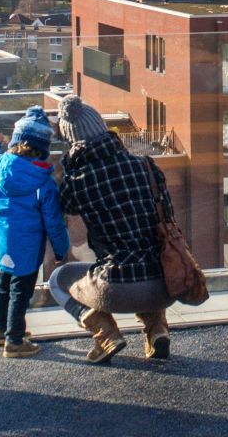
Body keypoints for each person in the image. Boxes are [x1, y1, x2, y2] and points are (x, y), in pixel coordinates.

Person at [49, 94, 176, 364]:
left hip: (116, 287)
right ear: (103, 129)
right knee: (147, 256)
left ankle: (106, 334)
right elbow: (169, 218)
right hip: (165, 284)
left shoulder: (78, 180)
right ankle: (157, 330)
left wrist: (69, 164)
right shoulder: (145, 165)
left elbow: (65, 208)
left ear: (71, 140)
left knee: (58, 279)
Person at [0, 106, 70, 359]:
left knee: (3, 285)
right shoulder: (44, 182)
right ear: (43, 147)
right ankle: (15, 340)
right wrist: (61, 250)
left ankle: (0, 330)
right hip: (28, 247)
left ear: (17, 141)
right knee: (21, 292)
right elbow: (54, 221)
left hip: (1, 241)